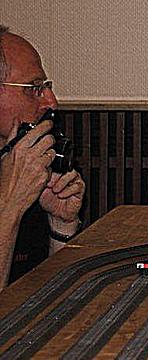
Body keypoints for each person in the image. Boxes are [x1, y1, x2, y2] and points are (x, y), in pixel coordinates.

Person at [0, 26, 85, 290]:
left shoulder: (33, 163)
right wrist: (10, 204)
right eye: (34, 88)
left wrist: (61, 226)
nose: (51, 102)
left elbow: (56, 296)